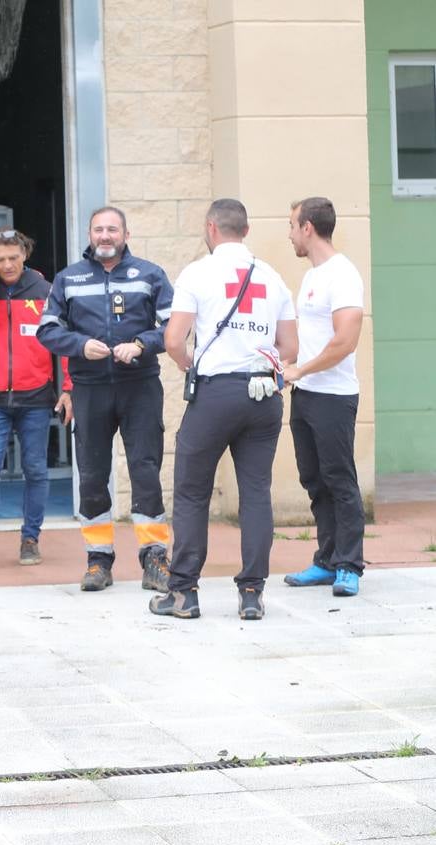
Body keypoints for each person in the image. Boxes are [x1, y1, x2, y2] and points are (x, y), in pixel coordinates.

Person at [154, 199, 298, 620]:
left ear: (211, 228)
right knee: (256, 493)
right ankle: (252, 592)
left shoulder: (198, 272)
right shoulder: (272, 277)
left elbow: (174, 339)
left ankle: (183, 592)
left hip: (215, 394)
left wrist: (188, 366)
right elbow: (289, 348)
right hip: (263, 394)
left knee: (192, 492)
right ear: (246, 230)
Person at [37, 207, 174, 593]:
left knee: (145, 471)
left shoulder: (150, 275)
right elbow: (47, 331)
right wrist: (80, 346)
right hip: (90, 389)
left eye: (112, 229)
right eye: (98, 229)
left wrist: (140, 345)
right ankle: (98, 561)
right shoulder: (69, 278)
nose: (105, 236)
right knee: (93, 476)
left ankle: (154, 558)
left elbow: (173, 328)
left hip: (140, 387)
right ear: (90, 234)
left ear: (125, 234)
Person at [0, 229, 73, 569]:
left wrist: (69, 389)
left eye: (13, 258)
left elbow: (64, 344)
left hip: (35, 398)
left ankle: (30, 539)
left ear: (25, 255)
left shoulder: (47, 292)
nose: (7, 265)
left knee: (35, 470)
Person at [281, 197, 367, 598]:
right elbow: (310, 338)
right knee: (314, 479)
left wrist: (301, 369)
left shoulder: (342, 274)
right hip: (306, 394)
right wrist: (286, 363)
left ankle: (349, 565)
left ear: (309, 228)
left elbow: (345, 342)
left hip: (333, 396)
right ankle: (327, 560)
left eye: (293, 225)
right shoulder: (312, 276)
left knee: (339, 479)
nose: (290, 234)